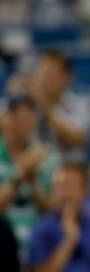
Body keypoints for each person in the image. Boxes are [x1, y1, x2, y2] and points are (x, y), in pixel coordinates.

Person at [0, 93, 58, 255]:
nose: (27, 125)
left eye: (30, 119)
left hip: (38, 247)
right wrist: (19, 175)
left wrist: (32, 181)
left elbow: (53, 211)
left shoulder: (48, 157)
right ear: (6, 119)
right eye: (20, 118)